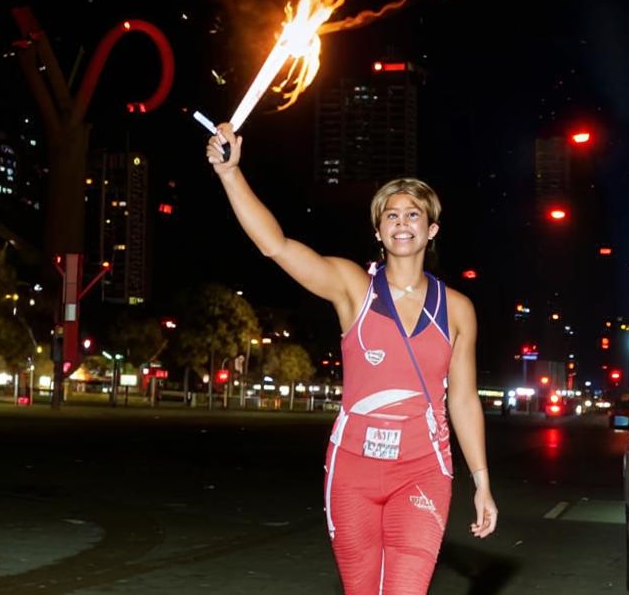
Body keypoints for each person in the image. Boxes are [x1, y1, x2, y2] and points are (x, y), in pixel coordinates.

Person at [206, 123, 497, 594]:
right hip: (352, 472)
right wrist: (230, 173)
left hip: (423, 470)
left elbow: (462, 401)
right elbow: (274, 246)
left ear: (432, 229)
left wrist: (481, 483)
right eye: (391, 215)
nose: (402, 222)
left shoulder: (458, 309)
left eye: (413, 214)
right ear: (379, 230)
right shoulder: (352, 286)